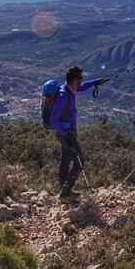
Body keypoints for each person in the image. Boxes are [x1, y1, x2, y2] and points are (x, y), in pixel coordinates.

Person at [49, 66, 105, 201]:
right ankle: (65, 192)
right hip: (66, 135)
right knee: (80, 161)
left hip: (68, 133)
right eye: (80, 78)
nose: (82, 80)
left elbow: (82, 87)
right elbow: (53, 120)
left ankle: (65, 192)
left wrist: (95, 82)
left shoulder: (71, 90)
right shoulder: (63, 96)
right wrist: (65, 133)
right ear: (75, 80)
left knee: (65, 160)